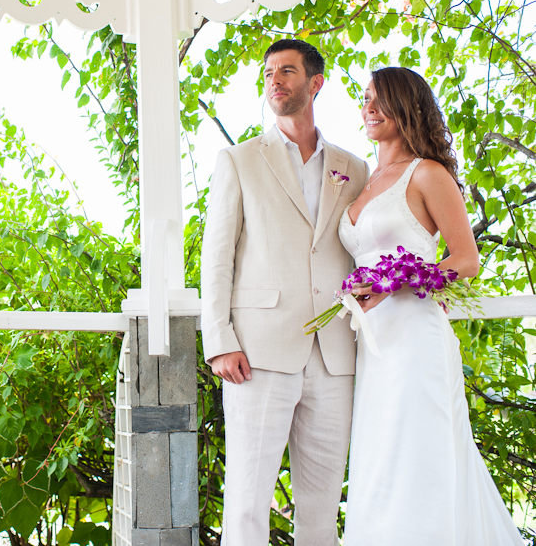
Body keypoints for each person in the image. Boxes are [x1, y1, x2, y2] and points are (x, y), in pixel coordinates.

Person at [339, 67, 524, 544]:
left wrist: (392, 284)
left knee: (417, 456)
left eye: (380, 100)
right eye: (364, 100)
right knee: (379, 460)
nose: (369, 109)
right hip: (373, 344)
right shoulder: (364, 177)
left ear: (407, 107)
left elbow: (465, 259)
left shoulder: (427, 172)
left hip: (415, 337)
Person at [201, 39, 369, 545]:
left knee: (321, 504)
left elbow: (364, 247)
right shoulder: (239, 160)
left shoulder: (353, 169)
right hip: (258, 351)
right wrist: (219, 339)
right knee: (248, 499)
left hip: (335, 354)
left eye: (288, 71)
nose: (276, 80)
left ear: (316, 83)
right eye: (270, 72)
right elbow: (217, 256)